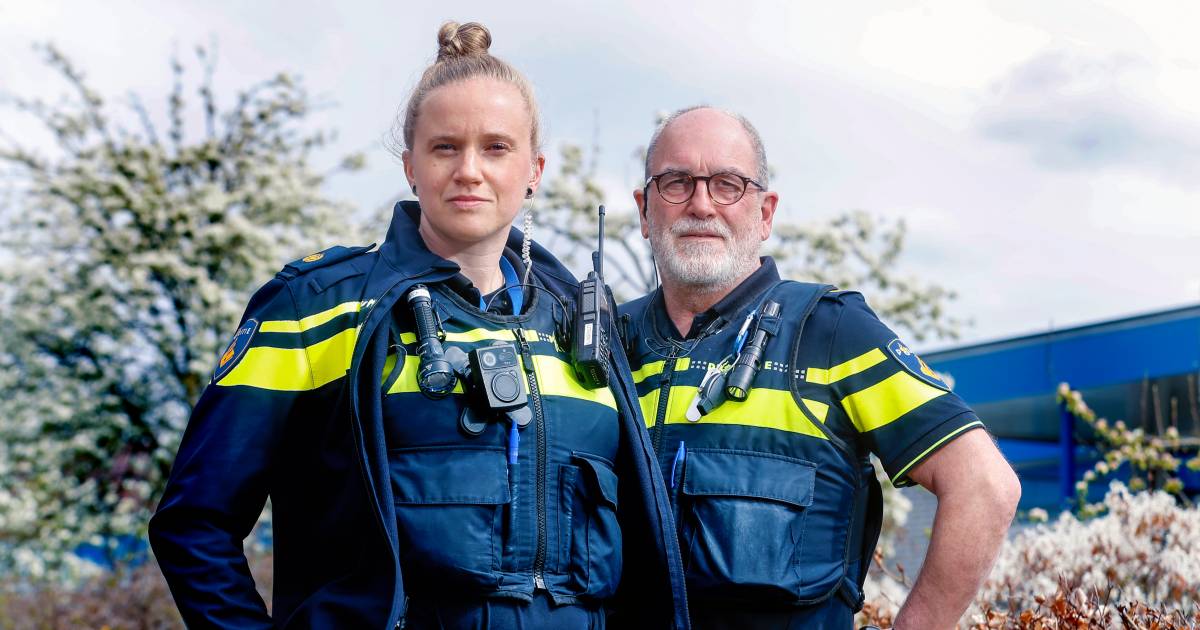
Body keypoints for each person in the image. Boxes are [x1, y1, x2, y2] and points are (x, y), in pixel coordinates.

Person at [149, 22, 688, 630]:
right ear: (409, 165)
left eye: (496, 148)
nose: (469, 171)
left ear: (534, 169)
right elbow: (195, 524)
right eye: (444, 147)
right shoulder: (312, 309)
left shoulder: (587, 330)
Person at [618, 106, 1021, 630]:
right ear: (644, 211)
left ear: (765, 213)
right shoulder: (601, 346)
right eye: (676, 183)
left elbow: (984, 486)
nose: (701, 204)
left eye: (727, 185)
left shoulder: (832, 333)